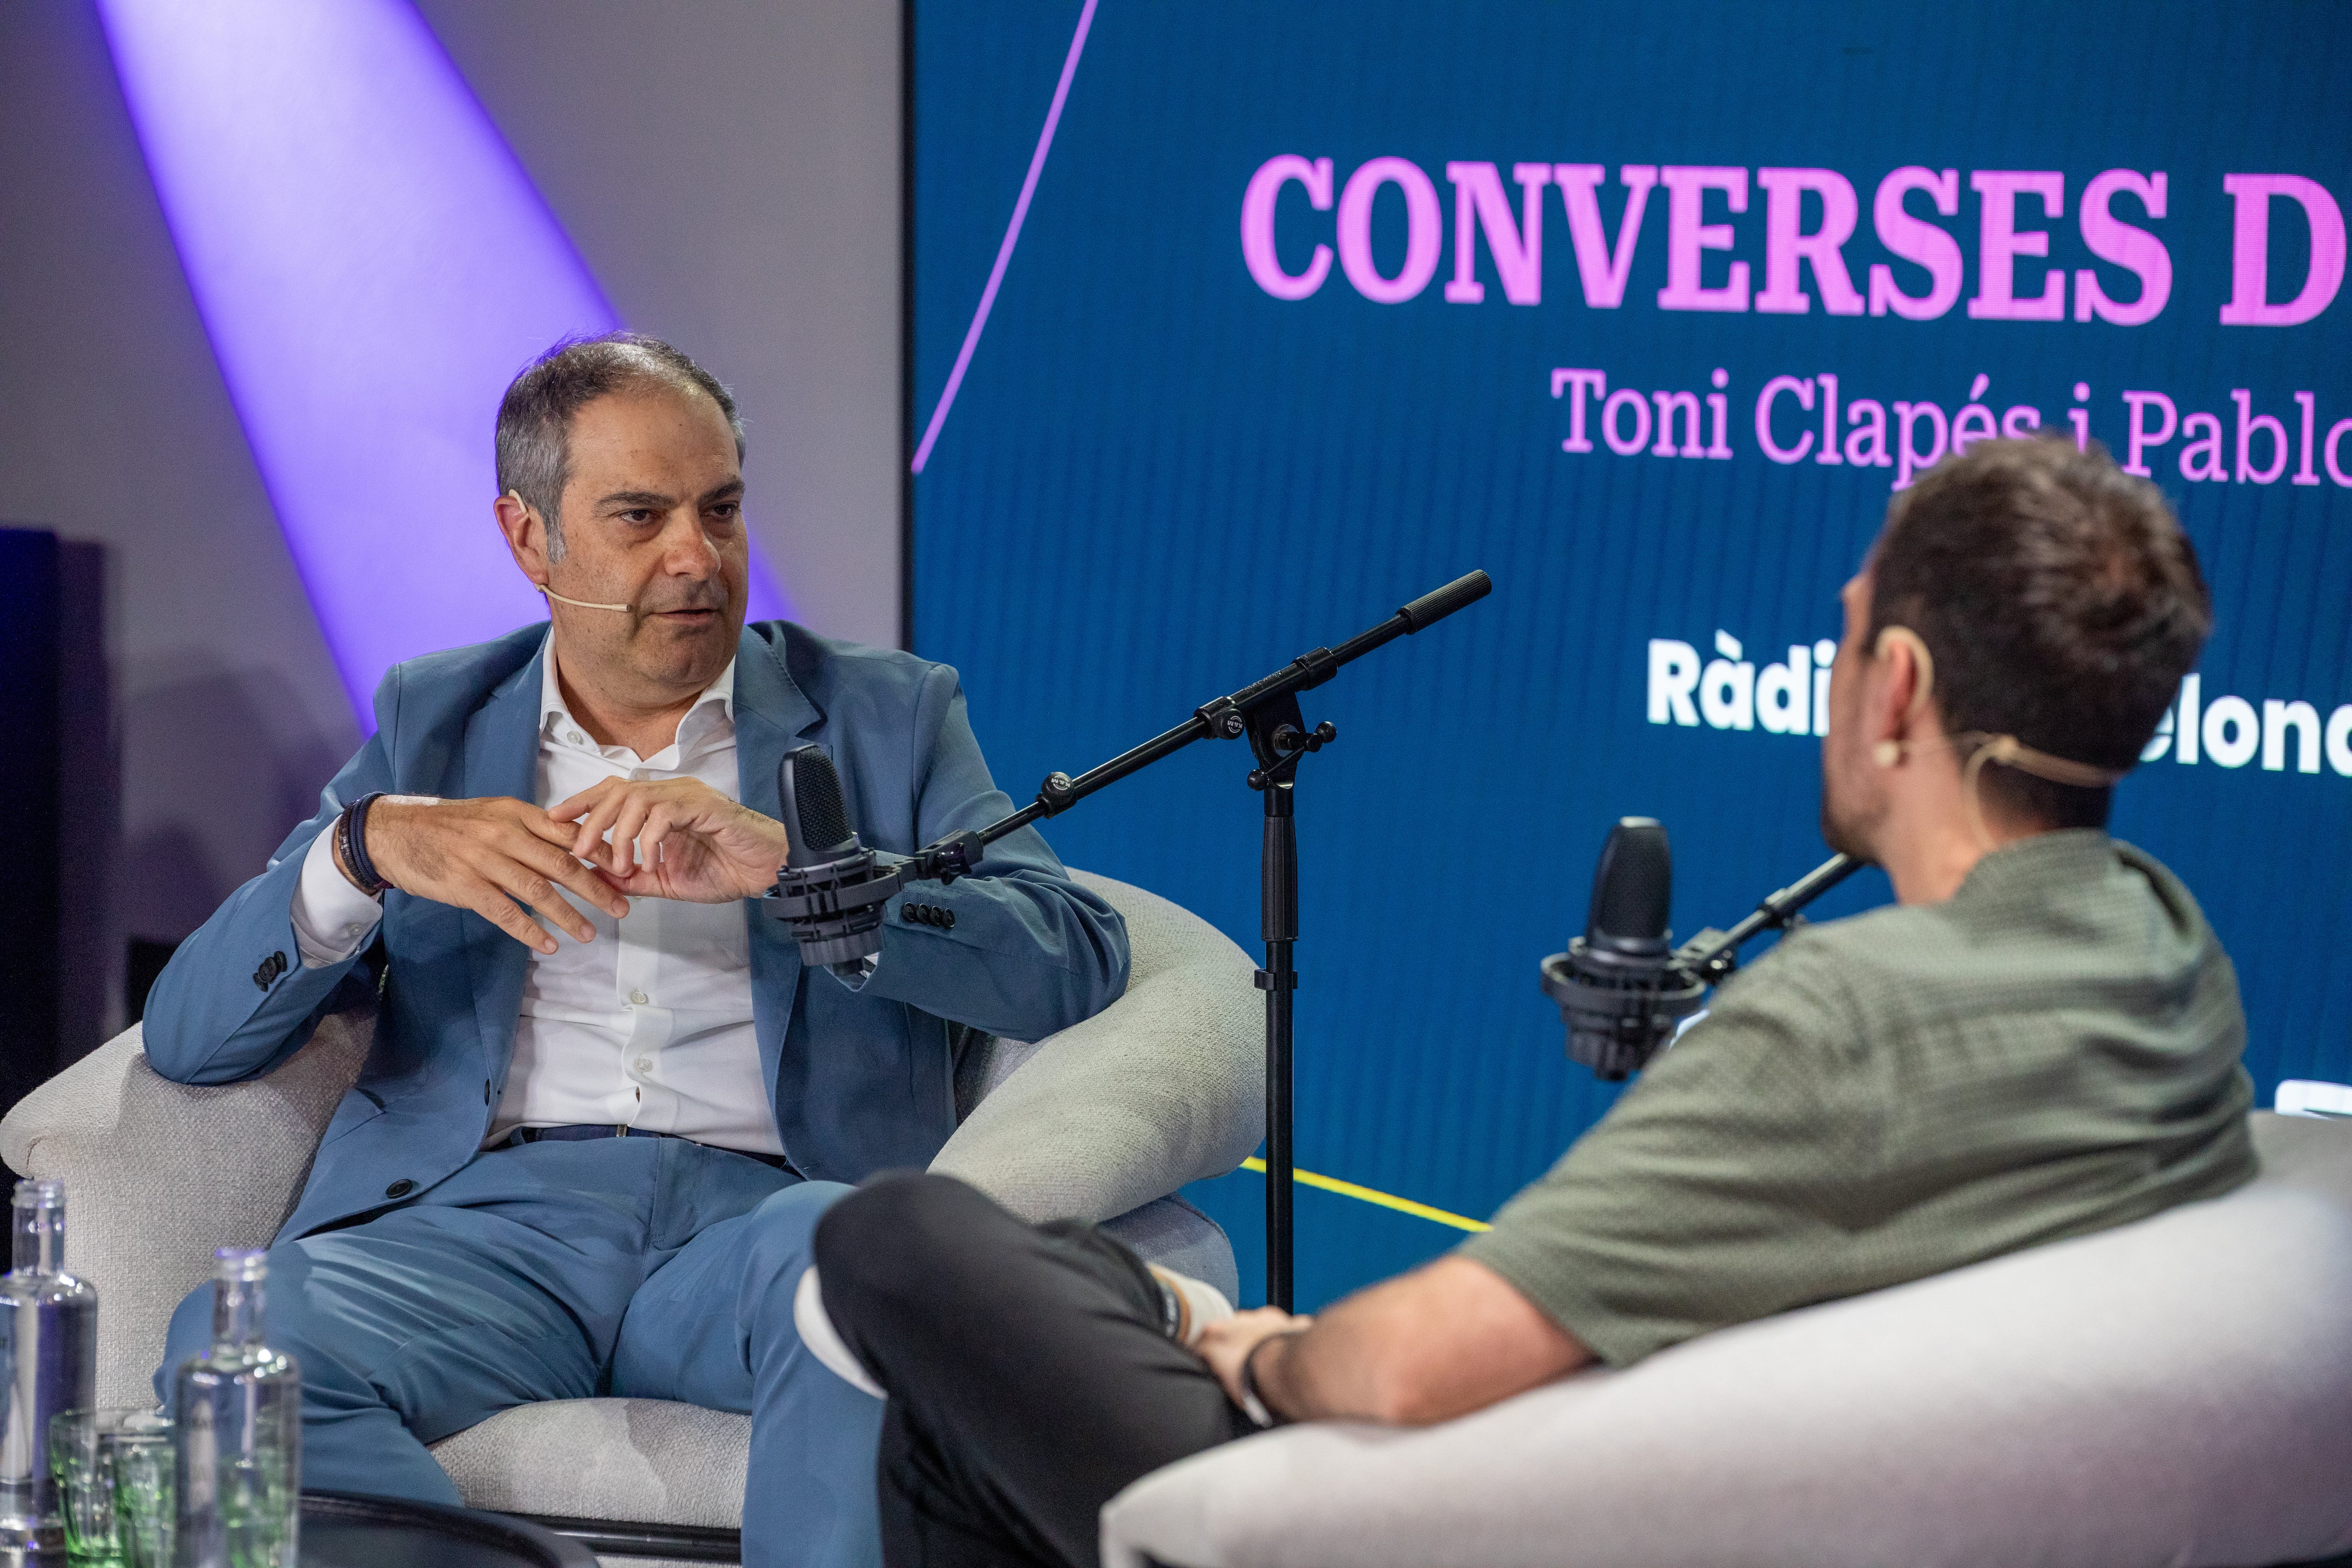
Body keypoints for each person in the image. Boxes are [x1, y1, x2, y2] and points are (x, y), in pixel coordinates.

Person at [808, 435, 2256, 1568]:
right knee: (976, 1407)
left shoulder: (1848, 1018)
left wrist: (1245, 1346)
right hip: (1686, 1469)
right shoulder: (2170, 961)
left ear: (1900, 693)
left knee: (899, 1240)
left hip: (1489, 1524)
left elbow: (1421, 1369)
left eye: (1849, 637)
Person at [143, 332, 1131, 1568]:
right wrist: (364, 849)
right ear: (528, 538)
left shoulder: (885, 713)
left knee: (861, 1295)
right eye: (640, 516)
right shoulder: (433, 721)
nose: (696, 559)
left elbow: (1072, 957)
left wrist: (795, 867)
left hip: (771, 1217)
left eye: (720, 511)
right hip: (481, 1229)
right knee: (238, 1350)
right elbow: (187, 1036)